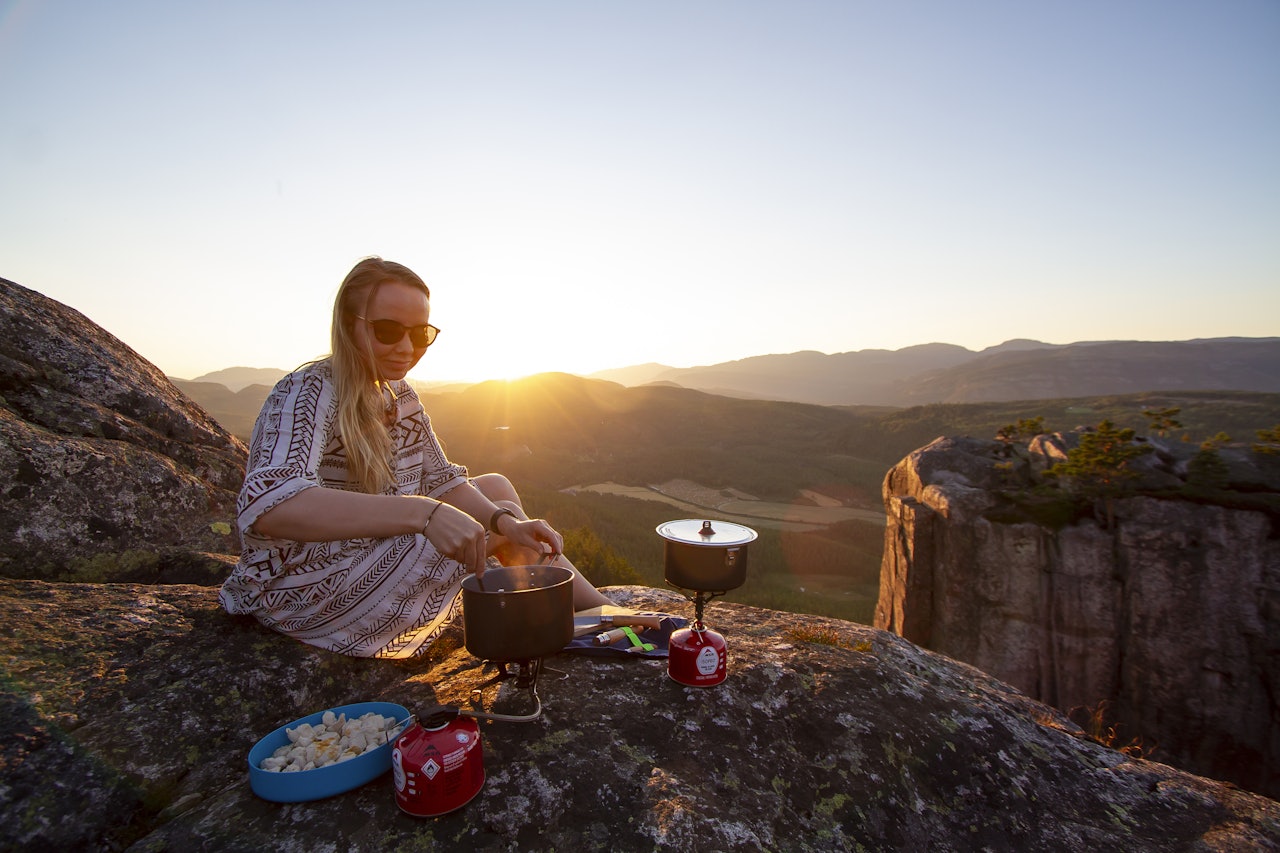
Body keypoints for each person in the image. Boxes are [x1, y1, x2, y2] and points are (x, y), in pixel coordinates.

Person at [218, 256, 612, 658]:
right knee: (495, 519)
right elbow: (271, 503)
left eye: (420, 334)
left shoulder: (397, 395)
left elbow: (442, 479)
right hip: (303, 582)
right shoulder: (306, 392)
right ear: (348, 322)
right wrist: (423, 514)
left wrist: (507, 523)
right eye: (388, 331)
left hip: (365, 549)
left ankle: (599, 615)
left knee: (497, 495)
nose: (406, 348)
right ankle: (589, 623)